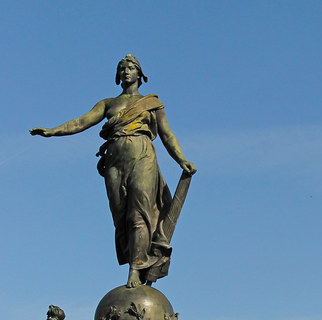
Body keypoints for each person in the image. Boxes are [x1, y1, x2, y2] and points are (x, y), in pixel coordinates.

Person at [30, 54, 197, 288]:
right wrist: (52, 131)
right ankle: (135, 258)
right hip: (115, 161)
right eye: (121, 69)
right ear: (118, 76)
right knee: (121, 217)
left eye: (130, 68)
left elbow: (167, 134)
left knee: (138, 213)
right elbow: (81, 122)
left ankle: (135, 270)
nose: (126, 72)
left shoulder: (152, 103)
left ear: (139, 73)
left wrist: (182, 160)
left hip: (143, 155)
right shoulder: (108, 104)